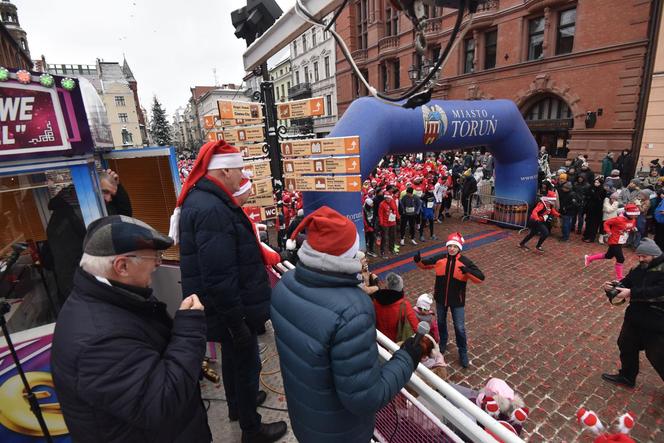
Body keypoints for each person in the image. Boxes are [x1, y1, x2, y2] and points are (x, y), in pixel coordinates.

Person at [51, 215, 211, 442]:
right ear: (122, 266)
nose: (158, 263)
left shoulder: (111, 300)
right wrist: (189, 329)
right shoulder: (99, 341)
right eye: (154, 256)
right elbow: (160, 402)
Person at [271, 206, 423, 443]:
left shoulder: (284, 284)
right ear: (347, 255)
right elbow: (366, 397)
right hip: (341, 432)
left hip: (305, 418)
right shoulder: (353, 310)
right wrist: (407, 358)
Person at [170, 140, 287, 443]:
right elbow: (219, 276)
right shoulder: (213, 210)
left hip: (223, 310)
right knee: (247, 364)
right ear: (222, 172)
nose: (242, 175)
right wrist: (238, 323)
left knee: (234, 359)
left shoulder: (206, 201)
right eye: (239, 169)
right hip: (232, 312)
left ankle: (238, 406)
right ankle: (252, 428)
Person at [414, 232, 484, 368]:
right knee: (440, 322)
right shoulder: (440, 258)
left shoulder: (465, 262)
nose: (452, 249)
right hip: (440, 298)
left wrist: (468, 271)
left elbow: (481, 278)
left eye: (455, 246)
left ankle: (462, 351)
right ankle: (443, 342)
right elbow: (425, 264)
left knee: (459, 327)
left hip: (457, 301)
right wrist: (418, 260)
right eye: (450, 246)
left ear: (459, 248)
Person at [601, 238, 664, 388]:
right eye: (639, 256)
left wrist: (631, 292)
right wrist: (615, 286)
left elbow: (658, 292)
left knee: (657, 355)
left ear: (654, 255)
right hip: (635, 316)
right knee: (626, 344)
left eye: (644, 256)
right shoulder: (642, 266)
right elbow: (629, 280)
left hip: (656, 320)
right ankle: (627, 377)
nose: (640, 259)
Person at [45, 185, 86, 303]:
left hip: (65, 275)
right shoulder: (70, 216)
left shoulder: (57, 217)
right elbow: (86, 240)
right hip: (74, 273)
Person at [584, 203, 640, 280]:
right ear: (628, 213)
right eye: (634, 214)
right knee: (621, 259)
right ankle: (620, 278)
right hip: (614, 240)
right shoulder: (618, 219)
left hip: (621, 241)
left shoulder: (633, 219)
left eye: (636, 214)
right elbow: (606, 223)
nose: (636, 216)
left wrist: (633, 228)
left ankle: (589, 258)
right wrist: (608, 231)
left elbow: (631, 225)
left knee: (608, 255)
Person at [373, 273, 420, 342]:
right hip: (396, 343)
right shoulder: (404, 305)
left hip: (381, 340)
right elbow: (415, 327)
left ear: (386, 286)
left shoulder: (376, 301)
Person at [583, 178, 607, 243]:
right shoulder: (591, 188)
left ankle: (591, 237)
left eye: (598, 183)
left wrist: (593, 194)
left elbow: (599, 199)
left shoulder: (603, 190)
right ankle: (586, 235)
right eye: (595, 182)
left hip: (597, 210)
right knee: (588, 223)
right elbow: (587, 195)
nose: (596, 184)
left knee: (594, 224)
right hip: (589, 209)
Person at [378, 192, 399, 258]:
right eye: (386, 198)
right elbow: (380, 214)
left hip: (392, 222)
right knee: (384, 238)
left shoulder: (392, 202)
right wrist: (381, 222)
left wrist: (398, 217)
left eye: (389, 198)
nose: (388, 199)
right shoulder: (382, 204)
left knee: (393, 236)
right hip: (385, 223)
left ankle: (391, 249)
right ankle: (382, 252)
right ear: (385, 198)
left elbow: (395, 209)